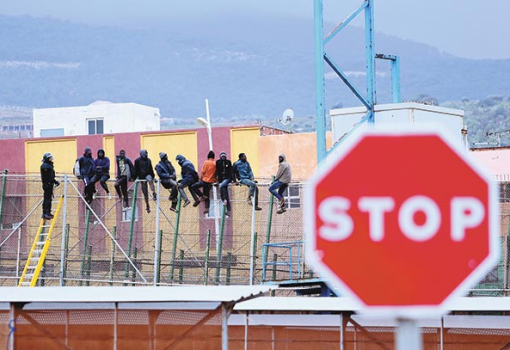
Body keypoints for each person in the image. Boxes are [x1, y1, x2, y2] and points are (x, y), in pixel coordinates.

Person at [191, 150, 217, 215]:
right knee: (207, 194)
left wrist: (201, 178)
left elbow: (203, 171)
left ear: (208, 156)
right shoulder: (215, 163)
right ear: (214, 157)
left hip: (205, 180)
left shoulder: (206, 162)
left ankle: (201, 196)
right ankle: (207, 208)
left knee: (193, 186)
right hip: (211, 181)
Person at [40, 153, 60, 220]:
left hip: (49, 184)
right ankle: (46, 213)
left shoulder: (48, 166)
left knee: (48, 199)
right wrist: (52, 181)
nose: (51, 159)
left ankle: (47, 212)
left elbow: (51, 176)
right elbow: (49, 176)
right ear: (47, 158)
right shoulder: (45, 166)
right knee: (47, 199)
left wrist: (55, 182)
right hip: (47, 184)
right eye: (50, 158)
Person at [216, 151, 234, 216]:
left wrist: (232, 179)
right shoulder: (218, 162)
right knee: (224, 193)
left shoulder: (228, 162)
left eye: (224, 156)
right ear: (220, 157)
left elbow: (230, 171)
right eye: (222, 156)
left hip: (227, 179)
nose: (223, 157)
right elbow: (217, 171)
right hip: (221, 179)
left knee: (222, 186)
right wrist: (216, 179)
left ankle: (224, 201)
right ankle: (228, 208)